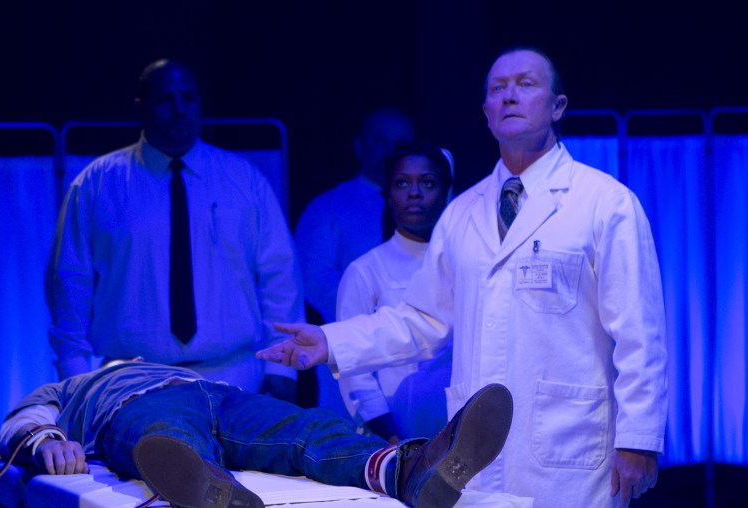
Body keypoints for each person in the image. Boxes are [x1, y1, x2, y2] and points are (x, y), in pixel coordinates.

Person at [259, 46, 667, 508]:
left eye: (525, 84)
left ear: (558, 107)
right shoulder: (462, 213)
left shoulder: (605, 203)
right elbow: (422, 320)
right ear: (486, 112)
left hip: (569, 450)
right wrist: (331, 341)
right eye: (497, 88)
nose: (509, 96)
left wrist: (639, 439)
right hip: (477, 456)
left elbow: (639, 332)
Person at [47, 59, 303, 401]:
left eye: (188, 98)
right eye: (165, 99)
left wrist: (282, 367)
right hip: (131, 381)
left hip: (236, 377)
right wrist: (76, 377)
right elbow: (69, 282)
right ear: (140, 107)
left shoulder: (244, 180)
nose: (179, 109)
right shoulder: (98, 184)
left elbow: (278, 276)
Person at [0, 360, 513, 508]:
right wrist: (46, 442)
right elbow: (21, 420)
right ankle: (212, 489)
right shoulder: (79, 385)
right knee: (165, 434)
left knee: (307, 428)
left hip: (221, 394)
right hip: (141, 406)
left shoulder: (169, 365)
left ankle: (408, 469)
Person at [335, 143, 453, 444]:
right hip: (392, 437)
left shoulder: (465, 264)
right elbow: (354, 370)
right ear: (388, 195)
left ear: (446, 192)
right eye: (402, 183)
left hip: (464, 434)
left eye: (427, 183)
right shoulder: (365, 271)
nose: (414, 193)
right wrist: (391, 438)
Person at [294, 107, 416, 325]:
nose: (391, 152)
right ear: (359, 147)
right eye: (380, 142)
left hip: (425, 338)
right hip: (352, 336)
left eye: (401, 145)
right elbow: (313, 278)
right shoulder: (327, 208)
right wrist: (374, 316)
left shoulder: (439, 205)